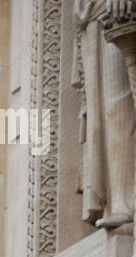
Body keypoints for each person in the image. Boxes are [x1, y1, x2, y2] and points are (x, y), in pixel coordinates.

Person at [73, 1, 135, 229]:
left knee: (118, 102)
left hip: (118, 9)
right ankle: (119, 201)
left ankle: (125, 202)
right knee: (105, 112)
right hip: (92, 14)